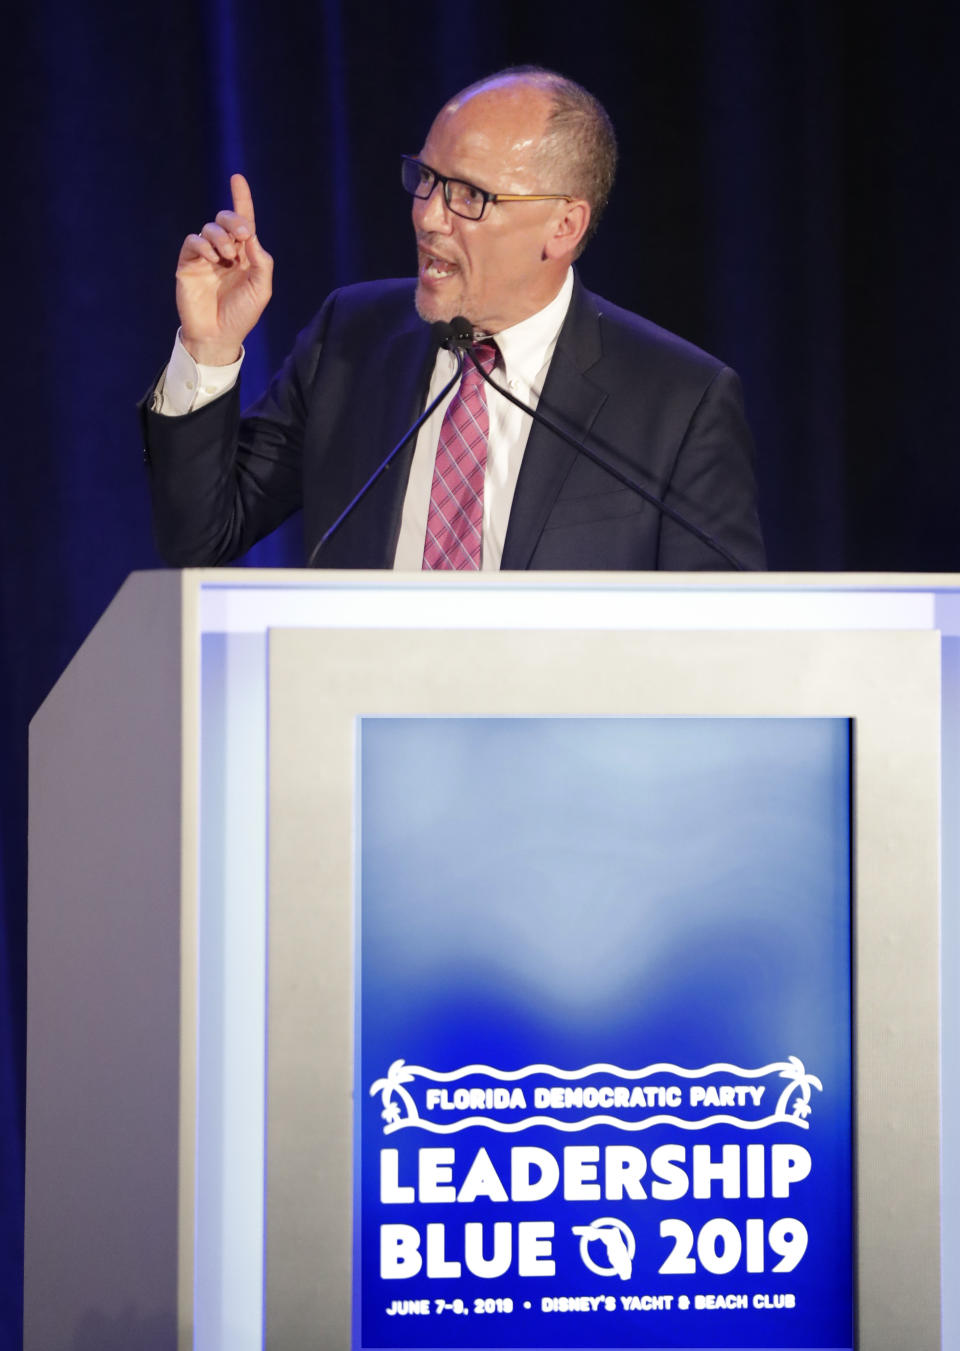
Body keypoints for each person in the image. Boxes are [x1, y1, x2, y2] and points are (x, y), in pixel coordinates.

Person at [142, 67, 765, 571]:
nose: (428, 217)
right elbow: (201, 539)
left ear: (563, 226)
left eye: (469, 195)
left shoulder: (678, 400)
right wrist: (209, 348)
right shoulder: (351, 340)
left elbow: (717, 650)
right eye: (427, 179)